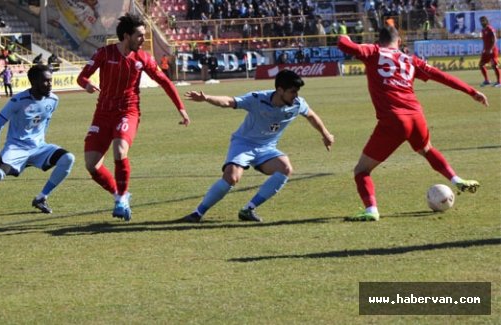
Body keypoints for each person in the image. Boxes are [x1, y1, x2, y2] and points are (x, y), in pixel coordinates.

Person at [337, 27, 488, 221]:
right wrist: (472, 92)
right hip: (416, 116)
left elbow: (344, 45)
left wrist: (344, 35)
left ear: (379, 39)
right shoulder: (410, 59)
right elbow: (441, 76)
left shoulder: (374, 51)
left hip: (393, 119)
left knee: (361, 170)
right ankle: (456, 179)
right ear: (398, 41)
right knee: (426, 149)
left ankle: (371, 210)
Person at [179, 70, 334, 223]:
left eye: (297, 92)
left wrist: (325, 134)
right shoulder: (258, 99)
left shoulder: (297, 104)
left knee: (285, 169)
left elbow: (311, 116)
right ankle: (197, 213)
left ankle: (248, 209)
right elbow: (229, 102)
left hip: (267, 148)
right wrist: (206, 98)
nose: (296, 96)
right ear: (280, 90)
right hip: (244, 144)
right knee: (232, 177)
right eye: (292, 92)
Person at [77, 13, 190, 221]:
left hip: (128, 111)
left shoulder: (144, 58)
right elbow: (81, 76)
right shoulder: (104, 53)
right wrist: (87, 84)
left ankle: (120, 199)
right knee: (91, 165)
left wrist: (180, 108)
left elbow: (164, 81)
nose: (143, 40)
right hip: (102, 113)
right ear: (127, 36)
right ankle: (121, 195)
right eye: (139, 35)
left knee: (120, 150)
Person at [0, 65, 75, 218]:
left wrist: (40, 141)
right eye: (45, 81)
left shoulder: (53, 99)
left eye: (51, 80)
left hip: (39, 147)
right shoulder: (18, 100)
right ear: (34, 82)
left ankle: (41, 198)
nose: (50, 84)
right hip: (16, 148)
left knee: (68, 158)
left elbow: (45, 121)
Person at [478, 16, 500, 87]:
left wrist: (491, 48)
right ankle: (487, 80)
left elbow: (495, 39)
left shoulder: (490, 28)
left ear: (486, 21)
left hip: (492, 50)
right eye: (481, 21)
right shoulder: (482, 30)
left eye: (483, 20)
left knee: (494, 65)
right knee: (481, 64)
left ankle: (499, 82)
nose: (482, 22)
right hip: (485, 50)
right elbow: (484, 39)